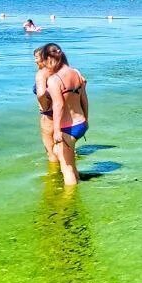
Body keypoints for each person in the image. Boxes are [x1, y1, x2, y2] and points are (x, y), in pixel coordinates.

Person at [45, 45, 89, 186]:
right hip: (80, 123)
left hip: (66, 128)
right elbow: (84, 98)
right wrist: (86, 119)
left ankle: (69, 201)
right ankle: (78, 182)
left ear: (49, 59)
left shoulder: (54, 80)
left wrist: (57, 130)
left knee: (66, 167)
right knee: (71, 163)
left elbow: (59, 105)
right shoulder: (76, 72)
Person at [33, 44, 60, 163]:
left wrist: (44, 107)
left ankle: (54, 177)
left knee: (50, 150)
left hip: (49, 113)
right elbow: (82, 81)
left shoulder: (42, 74)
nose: (35, 60)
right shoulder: (61, 70)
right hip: (63, 112)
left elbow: (41, 93)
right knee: (62, 146)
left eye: (37, 57)